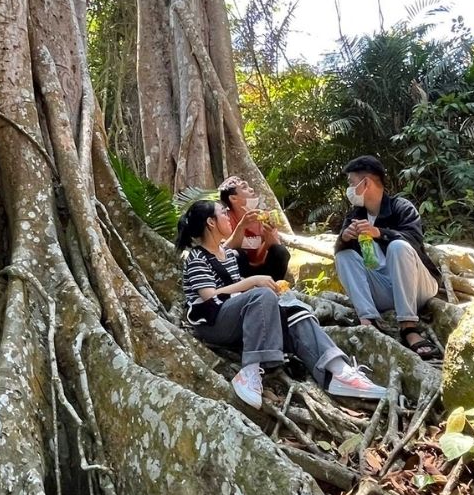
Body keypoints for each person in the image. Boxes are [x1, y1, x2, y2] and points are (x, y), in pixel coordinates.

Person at [177, 199, 385, 409]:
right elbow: (209, 296)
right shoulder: (197, 258)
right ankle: (250, 371)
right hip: (213, 323)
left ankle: (338, 371)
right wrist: (253, 282)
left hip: (239, 319)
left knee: (295, 312)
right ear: (211, 223)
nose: (228, 217)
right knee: (262, 295)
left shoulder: (229, 254)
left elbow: (243, 287)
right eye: (223, 213)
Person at [334, 155, 443, 360]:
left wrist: (379, 233)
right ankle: (369, 322)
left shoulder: (401, 207)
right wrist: (345, 238)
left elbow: (413, 240)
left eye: (351, 183)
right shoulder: (355, 216)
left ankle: (409, 328)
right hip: (384, 290)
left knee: (398, 247)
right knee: (344, 256)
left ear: (365, 183)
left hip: (417, 286)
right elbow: (343, 254)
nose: (349, 189)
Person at [218, 175, 291, 281]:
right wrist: (241, 227)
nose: (251, 189)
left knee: (280, 251)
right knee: (235, 254)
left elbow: (259, 257)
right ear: (233, 198)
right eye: (244, 187)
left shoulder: (265, 217)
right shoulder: (226, 219)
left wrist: (268, 239)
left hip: (262, 270)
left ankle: (275, 288)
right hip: (239, 274)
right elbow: (222, 252)